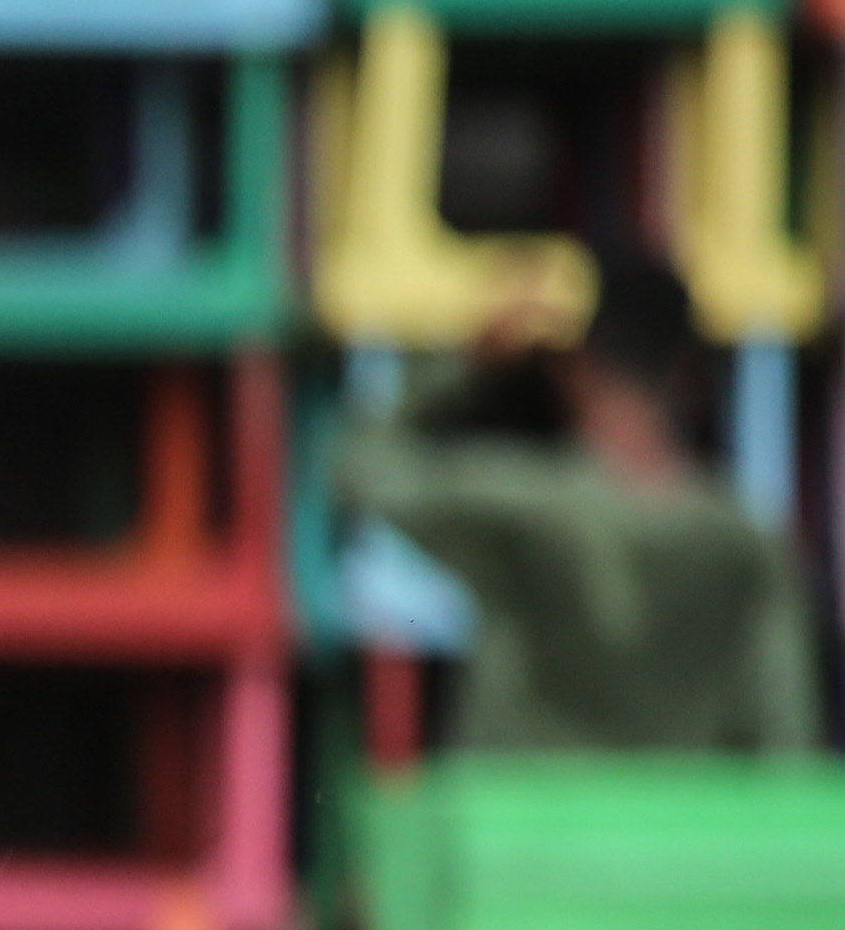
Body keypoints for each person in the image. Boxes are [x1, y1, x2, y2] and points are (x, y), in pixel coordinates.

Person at [327, 255, 815, 755]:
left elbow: (359, 469)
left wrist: (462, 362)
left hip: (520, 801)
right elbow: (786, 733)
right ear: (688, 370)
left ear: (573, 368)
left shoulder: (516, 503)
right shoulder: (749, 544)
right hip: (677, 804)